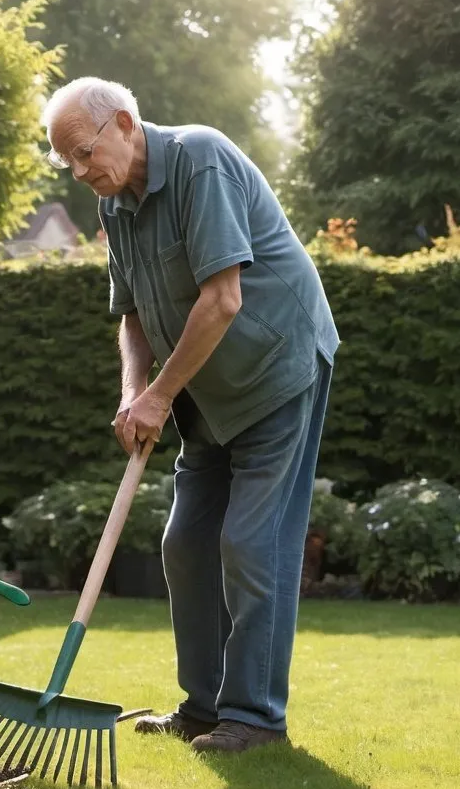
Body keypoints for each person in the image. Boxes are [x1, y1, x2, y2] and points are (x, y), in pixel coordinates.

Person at [41, 77, 339, 754]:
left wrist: (160, 395)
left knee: (251, 542)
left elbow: (223, 299)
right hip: (202, 389)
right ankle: (204, 708)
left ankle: (256, 717)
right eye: (70, 164)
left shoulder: (200, 160)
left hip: (275, 368)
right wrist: (133, 390)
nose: (83, 173)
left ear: (122, 121)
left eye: (86, 154)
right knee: (185, 543)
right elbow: (135, 311)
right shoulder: (116, 205)